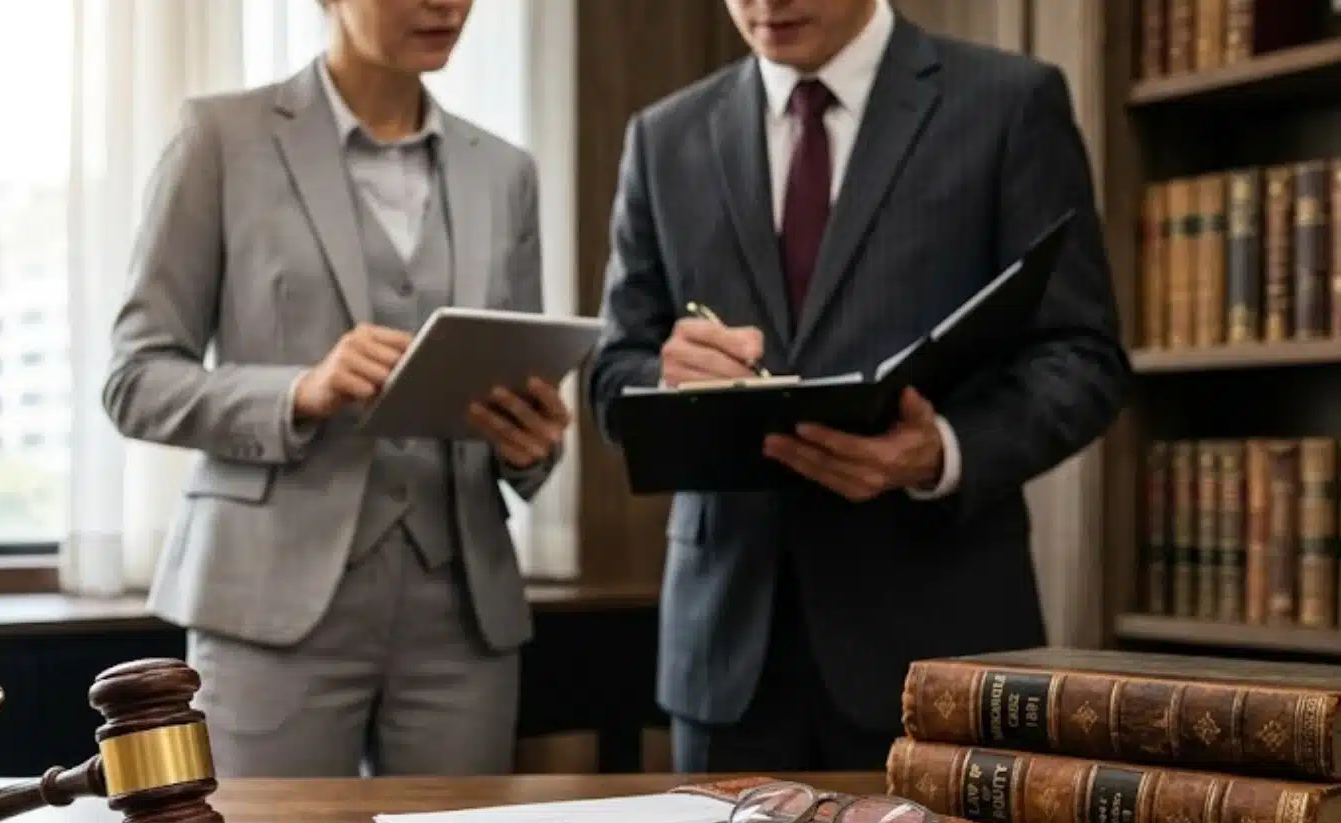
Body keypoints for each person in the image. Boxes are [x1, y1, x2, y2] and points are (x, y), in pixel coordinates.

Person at [585, 0, 1131, 774]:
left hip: (940, 647)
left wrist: (939, 451)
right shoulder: (663, 135)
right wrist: (664, 375)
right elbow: (614, 373)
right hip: (725, 659)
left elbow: (1084, 356)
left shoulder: (1009, 103)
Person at [102, 0, 571, 778]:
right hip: (267, 606)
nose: (444, 4)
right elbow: (135, 378)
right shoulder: (220, 138)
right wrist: (300, 391)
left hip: (463, 620)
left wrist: (530, 444)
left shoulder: (505, 172)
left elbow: (515, 386)